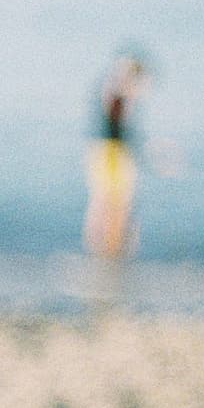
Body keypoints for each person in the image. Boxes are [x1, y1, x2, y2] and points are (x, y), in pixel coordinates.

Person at [82, 50, 150, 260]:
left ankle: (102, 253)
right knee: (113, 203)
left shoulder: (112, 90)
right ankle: (108, 253)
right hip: (112, 151)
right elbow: (116, 114)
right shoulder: (117, 92)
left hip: (106, 150)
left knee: (104, 202)